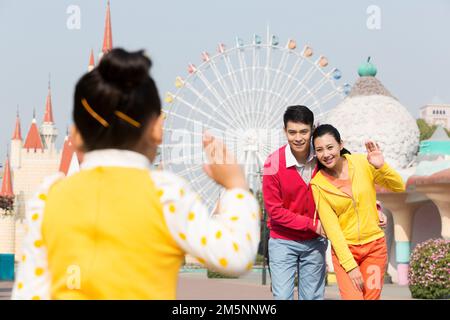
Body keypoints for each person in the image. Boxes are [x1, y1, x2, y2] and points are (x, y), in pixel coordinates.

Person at [11, 48, 260, 300]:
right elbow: (234, 255)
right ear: (157, 130)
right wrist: (236, 187)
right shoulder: (165, 195)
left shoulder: (49, 199)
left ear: (74, 135)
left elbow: (31, 291)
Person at [310, 124, 405, 300]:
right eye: (320, 150)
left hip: (375, 249)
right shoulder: (318, 184)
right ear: (315, 153)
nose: (326, 154)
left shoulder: (363, 163)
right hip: (345, 252)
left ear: (340, 144)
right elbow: (332, 229)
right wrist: (350, 266)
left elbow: (398, 186)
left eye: (330, 147)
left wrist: (381, 166)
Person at [262, 105, 327, 300]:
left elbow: (350, 183)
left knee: (313, 297)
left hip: (314, 243)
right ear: (285, 131)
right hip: (283, 241)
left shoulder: (325, 157)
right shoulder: (272, 163)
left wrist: (376, 208)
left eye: (303, 132)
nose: (298, 138)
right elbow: (275, 211)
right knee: (282, 297)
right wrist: (312, 224)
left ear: (312, 130)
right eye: (292, 132)